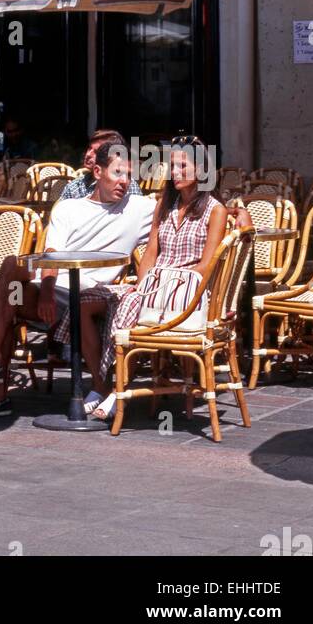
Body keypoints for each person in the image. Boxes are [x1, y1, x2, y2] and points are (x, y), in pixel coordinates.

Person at [0, 141, 156, 419]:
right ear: (98, 171)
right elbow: (52, 254)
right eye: (117, 173)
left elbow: (187, 207)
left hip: (95, 295)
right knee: (9, 275)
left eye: (129, 175)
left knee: (1, 297)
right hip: (56, 293)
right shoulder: (68, 208)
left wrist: (237, 214)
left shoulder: (139, 207)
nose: (124, 182)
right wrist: (46, 291)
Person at [88, 135, 229, 420]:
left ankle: (114, 389)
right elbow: (151, 252)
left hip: (189, 292)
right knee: (101, 299)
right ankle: (108, 385)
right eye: (172, 167)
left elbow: (206, 266)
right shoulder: (165, 204)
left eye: (182, 166)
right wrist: (142, 286)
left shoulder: (215, 210)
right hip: (156, 288)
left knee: (126, 306)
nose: (175, 173)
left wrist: (162, 281)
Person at [58, 129, 142, 200]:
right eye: (89, 148)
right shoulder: (75, 187)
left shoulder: (129, 187)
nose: (88, 154)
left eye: (96, 151)